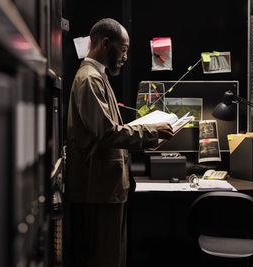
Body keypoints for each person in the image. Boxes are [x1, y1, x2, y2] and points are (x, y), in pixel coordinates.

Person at [65, 18, 174, 267]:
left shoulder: (97, 77)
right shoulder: (90, 79)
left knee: (114, 257)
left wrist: (148, 133)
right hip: (99, 190)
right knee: (106, 259)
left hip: (107, 188)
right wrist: (151, 131)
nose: (125, 57)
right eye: (123, 49)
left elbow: (109, 130)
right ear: (105, 43)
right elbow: (107, 133)